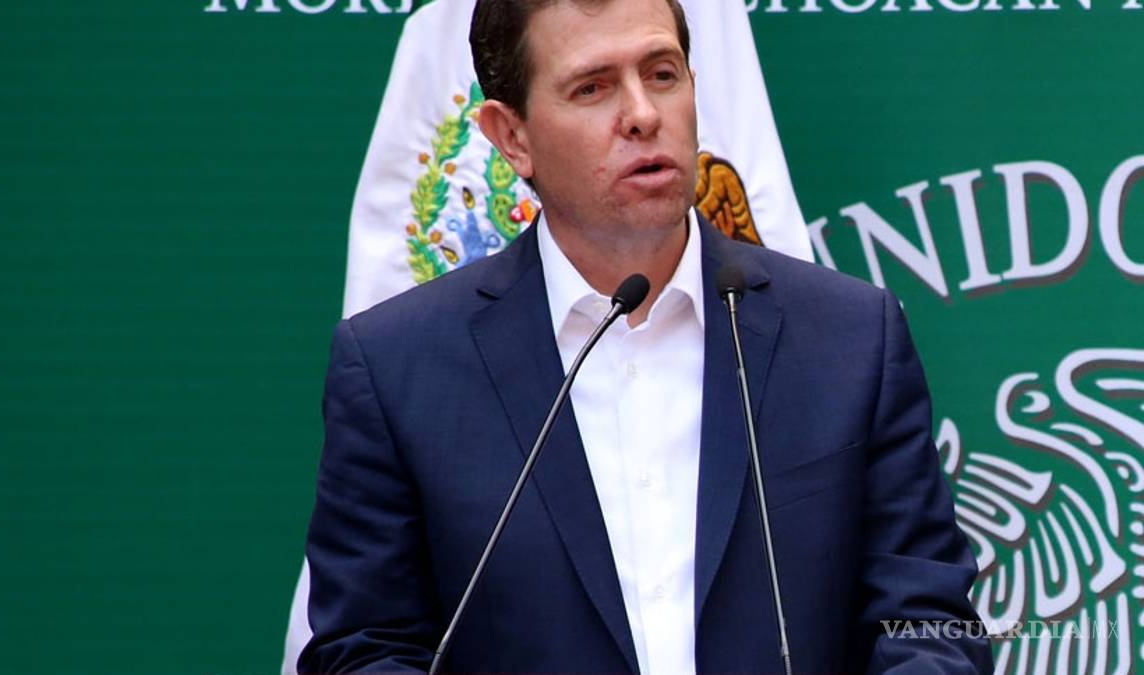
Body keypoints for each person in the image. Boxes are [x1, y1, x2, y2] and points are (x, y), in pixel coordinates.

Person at [299, 0, 993, 672]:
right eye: (593, 87)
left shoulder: (850, 339)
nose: (642, 114)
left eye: (662, 74)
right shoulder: (397, 370)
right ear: (512, 137)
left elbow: (930, 621)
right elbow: (364, 648)